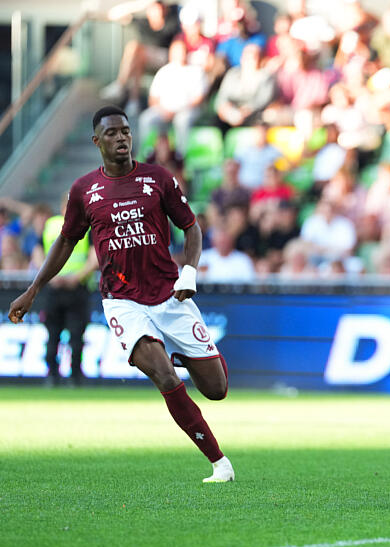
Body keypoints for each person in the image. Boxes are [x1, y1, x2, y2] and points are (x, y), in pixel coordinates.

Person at [7, 106, 234, 484]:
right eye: (112, 133)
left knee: (216, 389)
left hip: (170, 296)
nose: (122, 138)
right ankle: (219, 463)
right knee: (164, 376)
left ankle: (176, 350)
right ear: (97, 141)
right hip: (123, 300)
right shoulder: (84, 190)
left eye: (126, 131)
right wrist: (33, 290)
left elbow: (191, 228)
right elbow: (65, 242)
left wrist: (189, 272)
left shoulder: (158, 179)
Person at [41, 206, 98, 387]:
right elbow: (38, 252)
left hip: (75, 288)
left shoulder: (85, 227)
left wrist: (73, 278)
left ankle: (72, 376)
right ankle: (57, 375)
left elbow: (93, 258)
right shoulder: (52, 225)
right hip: (59, 288)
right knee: (55, 335)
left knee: (74, 336)